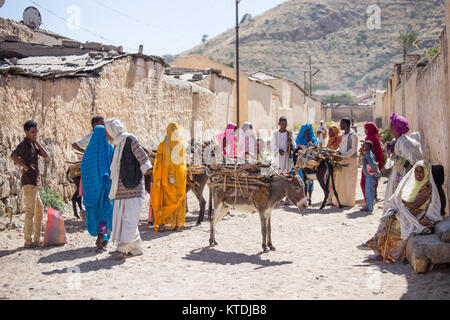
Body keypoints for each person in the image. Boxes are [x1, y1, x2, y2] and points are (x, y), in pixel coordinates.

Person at [358, 161, 442, 263]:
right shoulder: (418, 184)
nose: (418, 174)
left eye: (421, 171)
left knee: (395, 225)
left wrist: (399, 201)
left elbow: (414, 205)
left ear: (427, 173)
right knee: (388, 218)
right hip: (414, 213)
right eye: (416, 171)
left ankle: (386, 253)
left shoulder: (427, 188)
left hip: (420, 217)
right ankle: (378, 247)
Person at [104, 119, 152, 260]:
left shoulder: (129, 140)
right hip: (120, 189)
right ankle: (136, 248)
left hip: (133, 188)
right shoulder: (118, 144)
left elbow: (143, 158)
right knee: (125, 219)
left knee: (129, 220)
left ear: (113, 130)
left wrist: (144, 170)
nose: (107, 136)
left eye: (108, 132)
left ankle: (122, 249)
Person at [10, 120, 49, 248]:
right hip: (28, 182)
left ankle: (37, 240)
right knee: (30, 212)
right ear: (26, 132)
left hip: (34, 183)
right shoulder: (24, 145)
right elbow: (13, 155)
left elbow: (46, 154)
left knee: (39, 210)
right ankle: (28, 241)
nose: (35, 134)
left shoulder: (32, 145)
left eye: (36, 131)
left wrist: (36, 141)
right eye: (32, 132)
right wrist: (24, 166)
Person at [80, 125, 114, 251]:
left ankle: (102, 237)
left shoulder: (88, 152)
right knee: (105, 214)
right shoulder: (109, 149)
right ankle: (102, 237)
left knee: (95, 214)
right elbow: (113, 167)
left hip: (93, 192)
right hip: (106, 190)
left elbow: (84, 171)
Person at [151, 123, 187, 233]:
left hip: (165, 179)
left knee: (164, 200)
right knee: (178, 200)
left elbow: (158, 162)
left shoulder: (162, 145)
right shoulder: (180, 144)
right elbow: (183, 163)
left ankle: (162, 224)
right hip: (178, 179)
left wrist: (158, 176)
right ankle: (178, 225)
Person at [383, 113, 423, 212]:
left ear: (396, 128)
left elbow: (412, 163)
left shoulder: (406, 143)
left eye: (391, 125)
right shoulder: (396, 141)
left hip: (404, 175)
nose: (389, 127)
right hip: (397, 174)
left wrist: (407, 181)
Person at [332, 118, 359, 208]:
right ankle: (339, 201)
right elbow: (341, 147)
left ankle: (348, 202)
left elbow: (353, 150)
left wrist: (342, 155)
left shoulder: (353, 135)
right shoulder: (343, 134)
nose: (340, 125)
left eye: (341, 123)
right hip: (342, 160)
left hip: (350, 162)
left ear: (346, 125)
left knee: (348, 182)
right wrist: (336, 152)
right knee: (340, 182)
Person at [361, 122, 383, 202]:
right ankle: (373, 196)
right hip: (375, 163)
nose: (364, 131)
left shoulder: (369, 138)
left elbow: (367, 153)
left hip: (369, 165)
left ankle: (369, 202)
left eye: (366, 129)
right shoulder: (376, 137)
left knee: (365, 182)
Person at [296, 124, 319, 198]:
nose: (307, 132)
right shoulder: (299, 139)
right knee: (302, 178)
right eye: (305, 131)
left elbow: (316, 146)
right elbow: (297, 147)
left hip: (310, 161)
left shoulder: (313, 138)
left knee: (310, 179)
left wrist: (309, 139)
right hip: (302, 162)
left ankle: (309, 195)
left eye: (308, 131)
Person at [359, 141, 381, 212]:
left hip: (370, 176)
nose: (363, 147)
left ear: (368, 147)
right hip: (368, 176)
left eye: (364, 146)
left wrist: (376, 173)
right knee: (368, 191)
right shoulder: (367, 154)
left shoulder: (369, 154)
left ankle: (370, 207)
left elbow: (373, 164)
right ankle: (368, 206)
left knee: (369, 192)